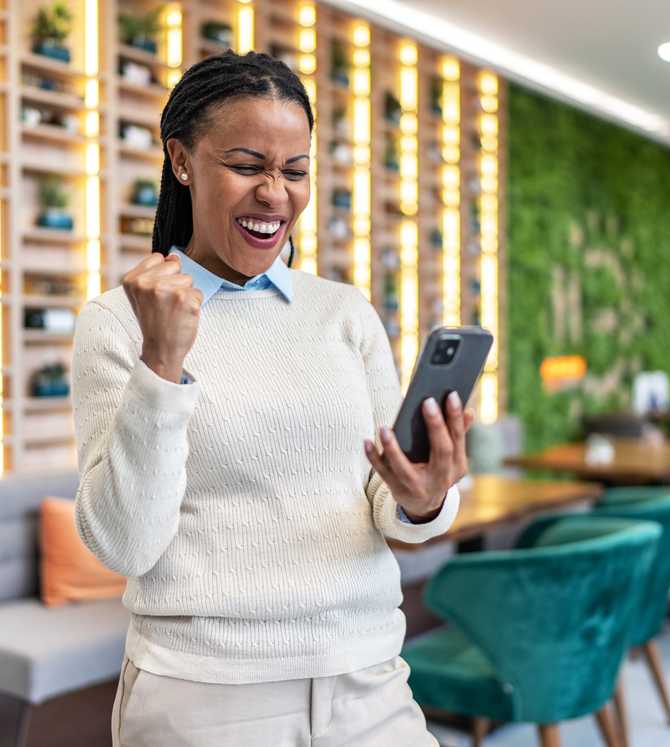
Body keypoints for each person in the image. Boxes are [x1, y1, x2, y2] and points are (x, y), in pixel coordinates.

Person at [71, 50, 475, 746]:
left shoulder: (344, 313)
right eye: (247, 165)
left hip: (369, 681)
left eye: (294, 171)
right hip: (206, 696)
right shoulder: (117, 322)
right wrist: (162, 363)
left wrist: (425, 494)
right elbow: (126, 543)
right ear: (182, 160)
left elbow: (395, 510)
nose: (275, 194)